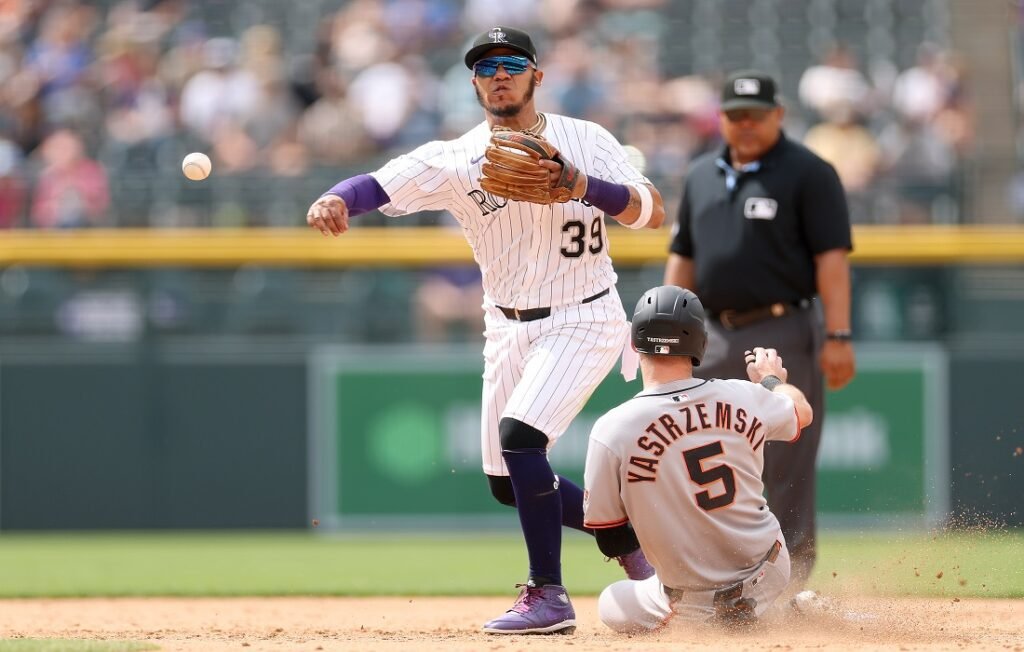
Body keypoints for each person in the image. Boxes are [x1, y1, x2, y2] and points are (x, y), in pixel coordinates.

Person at [305, 26, 666, 635]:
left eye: (511, 63)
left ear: (536, 76)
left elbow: (653, 213)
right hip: (506, 326)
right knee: (507, 482)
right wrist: (336, 197)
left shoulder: (587, 138)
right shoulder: (455, 158)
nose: (499, 73)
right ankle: (636, 546)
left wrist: (582, 185)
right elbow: (378, 184)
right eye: (485, 66)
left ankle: (549, 595)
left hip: (585, 314)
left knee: (522, 437)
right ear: (473, 83)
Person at [664, 70, 855, 588]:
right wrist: (664, 328)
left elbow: (831, 261)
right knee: (700, 452)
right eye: (735, 114)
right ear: (721, 118)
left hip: (783, 329)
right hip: (710, 336)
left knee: (786, 457)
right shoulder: (701, 173)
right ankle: (707, 575)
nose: (745, 123)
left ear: (779, 115)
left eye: (756, 114)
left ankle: (790, 583)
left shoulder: (809, 172)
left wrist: (838, 336)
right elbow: (682, 259)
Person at [583, 285, 814, 632]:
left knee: (611, 603)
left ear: (633, 344)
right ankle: (774, 611)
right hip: (771, 568)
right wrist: (771, 380)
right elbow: (802, 412)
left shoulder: (612, 429)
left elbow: (610, 538)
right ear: (701, 346)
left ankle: (730, 614)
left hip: (691, 602)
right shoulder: (743, 396)